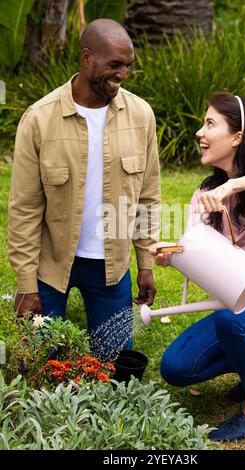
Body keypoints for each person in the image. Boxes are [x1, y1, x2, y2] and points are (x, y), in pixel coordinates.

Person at [150, 91, 245, 441]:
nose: (200, 133)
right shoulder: (205, 195)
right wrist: (172, 254)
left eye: (210, 124)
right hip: (243, 316)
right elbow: (195, 253)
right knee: (176, 367)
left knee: (231, 320)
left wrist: (233, 186)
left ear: (237, 137)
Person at [8, 19, 160, 355]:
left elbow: (148, 195)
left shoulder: (141, 116)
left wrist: (145, 263)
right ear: (87, 57)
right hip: (51, 265)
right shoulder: (39, 119)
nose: (121, 74)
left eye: (127, 66)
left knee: (116, 366)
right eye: (114, 64)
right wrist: (25, 283)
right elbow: (24, 208)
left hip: (112, 265)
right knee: (37, 362)